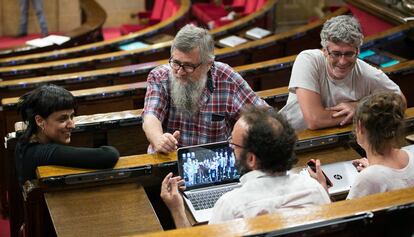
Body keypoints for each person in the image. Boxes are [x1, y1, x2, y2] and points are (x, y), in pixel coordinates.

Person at [160, 106, 331, 228]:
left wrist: (177, 210)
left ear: (251, 159)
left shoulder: (232, 206)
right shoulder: (315, 190)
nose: (231, 149)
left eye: (233, 144)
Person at [142, 24, 267, 154]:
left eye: (188, 66)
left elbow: (263, 115)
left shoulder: (226, 77)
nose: (179, 72)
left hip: (213, 162)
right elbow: (151, 116)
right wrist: (158, 139)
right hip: (169, 161)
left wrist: (238, 139)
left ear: (208, 65)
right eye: (176, 62)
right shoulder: (159, 77)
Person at [280, 15, 406, 131]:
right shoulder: (308, 59)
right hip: (292, 137)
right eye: (336, 53)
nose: (342, 61)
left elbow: (400, 101)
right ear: (324, 51)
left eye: (349, 54)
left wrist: (360, 107)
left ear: (358, 51)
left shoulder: (368, 73)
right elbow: (315, 120)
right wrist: (364, 113)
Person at [309, 92, 414, 199]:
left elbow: (344, 214)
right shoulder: (411, 157)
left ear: (360, 126)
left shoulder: (368, 178)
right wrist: (372, 169)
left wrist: (322, 186)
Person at [15, 85, 119, 186]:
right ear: (40, 120)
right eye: (62, 119)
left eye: (72, 116)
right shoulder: (42, 153)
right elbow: (108, 156)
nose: (72, 125)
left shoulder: (26, 139)